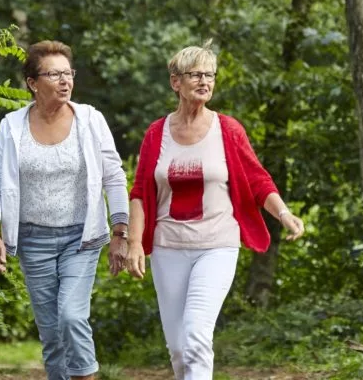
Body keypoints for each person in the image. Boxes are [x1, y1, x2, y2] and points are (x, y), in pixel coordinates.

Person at [125, 41, 304, 380]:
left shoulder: (228, 130)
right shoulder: (156, 133)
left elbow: (257, 180)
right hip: (168, 248)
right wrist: (134, 242)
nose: (205, 81)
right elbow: (139, 193)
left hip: (217, 246)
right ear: (176, 82)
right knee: (178, 348)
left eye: (210, 75)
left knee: (195, 336)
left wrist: (283, 213)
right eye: (196, 75)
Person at [0, 40, 129, 380]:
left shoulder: (90, 120)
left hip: (82, 237)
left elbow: (114, 177)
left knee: (72, 317)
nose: (65, 81)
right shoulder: (12, 126)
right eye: (54, 74)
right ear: (33, 83)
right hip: (33, 241)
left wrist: (120, 232)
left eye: (68, 73)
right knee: (51, 335)